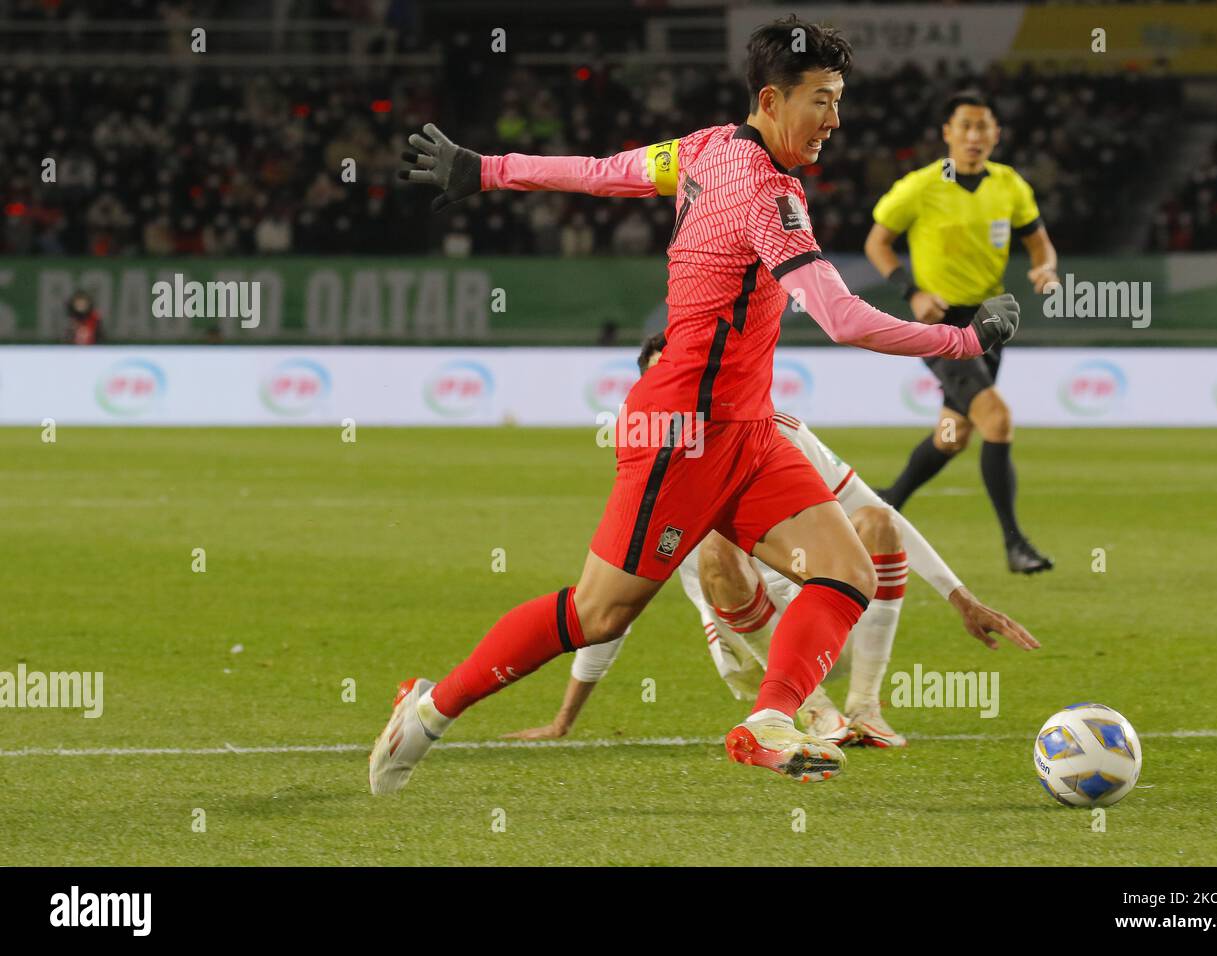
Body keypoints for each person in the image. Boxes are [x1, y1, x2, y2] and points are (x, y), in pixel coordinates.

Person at [370, 16, 1022, 793]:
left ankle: (771, 719)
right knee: (599, 613)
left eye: (839, 101)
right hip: (679, 429)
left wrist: (487, 170)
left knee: (848, 569)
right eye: (822, 101)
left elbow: (604, 172)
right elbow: (842, 318)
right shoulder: (768, 192)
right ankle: (430, 707)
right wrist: (962, 341)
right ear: (773, 99)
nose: (835, 121)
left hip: (745, 428)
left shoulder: (704, 148)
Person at [503, 335, 1039, 747]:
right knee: (715, 544)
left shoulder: (777, 429)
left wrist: (958, 595)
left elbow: (878, 515)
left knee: (876, 520)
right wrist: (564, 718)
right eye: (661, 379)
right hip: (746, 642)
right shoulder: (654, 469)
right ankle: (811, 708)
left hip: (827, 622)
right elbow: (611, 603)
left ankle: (866, 709)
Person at [865, 90, 1059, 574]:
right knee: (997, 419)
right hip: (940, 323)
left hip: (992, 320)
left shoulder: (1010, 185)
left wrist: (1047, 271)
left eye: (983, 127)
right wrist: (911, 291)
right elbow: (877, 243)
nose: (974, 136)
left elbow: (1041, 247)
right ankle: (1016, 545)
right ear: (947, 133)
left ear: (996, 134)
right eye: (965, 127)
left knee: (952, 436)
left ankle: (886, 501)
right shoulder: (921, 186)